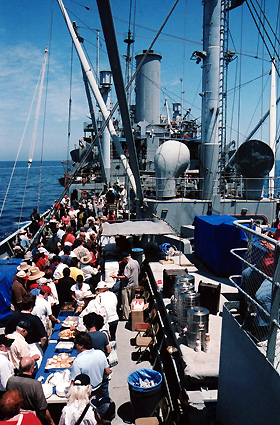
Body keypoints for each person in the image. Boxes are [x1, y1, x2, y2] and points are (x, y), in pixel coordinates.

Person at [7, 357, 55, 425]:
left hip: (14, 416)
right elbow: (42, 409)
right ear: (31, 368)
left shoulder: (10, 381)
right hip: (31, 418)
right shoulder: (35, 385)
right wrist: (51, 422)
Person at [71, 332, 111, 397]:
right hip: (100, 389)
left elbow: (75, 383)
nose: (75, 346)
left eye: (76, 344)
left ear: (81, 346)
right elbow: (107, 371)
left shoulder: (77, 362)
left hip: (86, 394)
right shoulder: (100, 353)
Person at [111, 252, 140, 320]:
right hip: (135, 285)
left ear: (126, 258)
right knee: (131, 301)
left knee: (125, 303)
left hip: (127, 286)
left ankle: (126, 317)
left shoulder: (128, 266)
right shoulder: (136, 262)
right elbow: (139, 272)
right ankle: (132, 315)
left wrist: (116, 276)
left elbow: (126, 276)